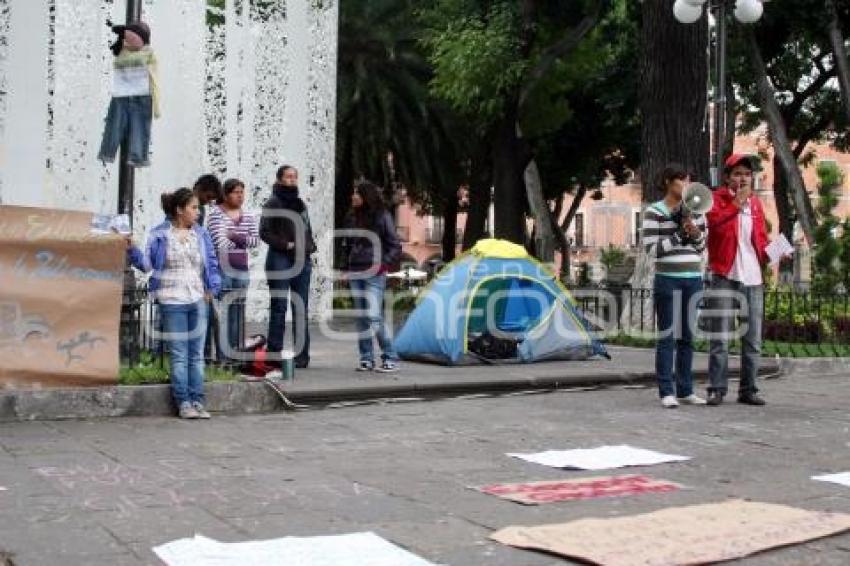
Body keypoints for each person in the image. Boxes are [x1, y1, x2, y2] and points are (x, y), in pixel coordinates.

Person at [128, 188, 221, 419]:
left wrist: (213, 288)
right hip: (171, 298)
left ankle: (198, 400)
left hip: (198, 297)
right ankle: (184, 402)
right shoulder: (160, 234)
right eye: (193, 208)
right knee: (179, 353)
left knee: (196, 354)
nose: (197, 213)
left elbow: (211, 262)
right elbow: (147, 264)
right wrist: (131, 249)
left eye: (197, 208)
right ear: (180, 210)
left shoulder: (201, 234)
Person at [641, 164, 707, 409]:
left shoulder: (698, 210)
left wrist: (696, 233)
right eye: (681, 180)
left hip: (693, 279)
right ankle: (666, 391)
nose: (686, 185)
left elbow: (701, 248)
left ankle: (686, 389)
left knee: (687, 337)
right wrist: (680, 235)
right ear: (668, 182)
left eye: (688, 180)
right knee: (667, 335)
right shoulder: (654, 212)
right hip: (667, 279)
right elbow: (652, 250)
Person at [706, 154, 769, 406]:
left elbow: (760, 239)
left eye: (747, 174)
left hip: (752, 276)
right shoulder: (716, 200)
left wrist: (776, 252)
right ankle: (717, 389)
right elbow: (716, 227)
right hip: (725, 274)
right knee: (720, 336)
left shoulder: (755, 204)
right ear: (727, 177)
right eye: (737, 174)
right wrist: (735, 204)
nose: (743, 178)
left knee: (752, 338)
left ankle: (749, 389)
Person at [260, 165, 316, 373]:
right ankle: (274, 353)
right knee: (279, 306)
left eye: (295, 176)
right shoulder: (273, 202)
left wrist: (310, 247)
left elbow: (308, 228)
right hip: (280, 259)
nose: (292, 180)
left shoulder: (300, 203)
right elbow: (264, 232)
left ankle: (302, 355)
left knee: (301, 308)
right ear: (280, 179)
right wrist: (287, 244)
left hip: (303, 259)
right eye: (288, 177)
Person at [343, 181, 402, 373]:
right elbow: (347, 245)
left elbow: (395, 245)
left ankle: (390, 356)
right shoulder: (351, 217)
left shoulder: (382, 216)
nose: (353, 197)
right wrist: (345, 268)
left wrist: (382, 263)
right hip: (355, 272)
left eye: (357, 194)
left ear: (366, 196)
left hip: (374, 273)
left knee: (373, 316)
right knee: (361, 318)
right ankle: (366, 358)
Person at [207, 178, 259, 362]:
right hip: (223, 268)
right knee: (224, 312)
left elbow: (255, 241)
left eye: (242, 192)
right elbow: (219, 242)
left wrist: (234, 236)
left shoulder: (248, 215)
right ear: (226, 194)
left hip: (242, 269)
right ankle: (223, 355)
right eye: (236, 192)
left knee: (238, 312)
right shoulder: (215, 214)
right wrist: (242, 239)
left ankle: (236, 353)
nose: (240, 196)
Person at [98, 21, 160, 167]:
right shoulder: (122, 50)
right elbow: (118, 53)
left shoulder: (148, 52)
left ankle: (137, 157)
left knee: (138, 130)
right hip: (121, 95)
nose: (128, 41)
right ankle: (107, 153)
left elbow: (148, 67)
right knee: (113, 127)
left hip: (141, 96)